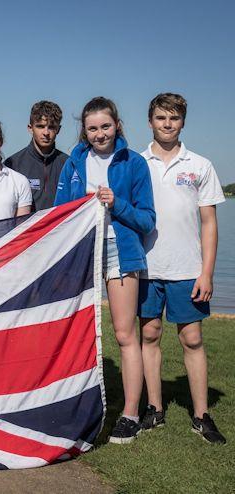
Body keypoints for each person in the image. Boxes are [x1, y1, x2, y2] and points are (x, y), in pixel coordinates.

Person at [54, 96, 155, 444]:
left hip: (120, 252)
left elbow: (147, 219)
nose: (100, 134)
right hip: (82, 251)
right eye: (93, 128)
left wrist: (117, 203)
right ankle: (71, 403)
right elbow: (60, 211)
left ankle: (129, 414)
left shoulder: (135, 163)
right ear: (84, 130)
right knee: (72, 328)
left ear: (117, 125)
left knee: (126, 334)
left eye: (106, 126)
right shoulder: (74, 163)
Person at [138, 93, 227, 444]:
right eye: (161, 117)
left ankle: (202, 415)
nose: (167, 124)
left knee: (192, 338)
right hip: (145, 267)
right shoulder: (136, 162)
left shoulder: (201, 165)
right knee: (149, 335)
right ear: (150, 121)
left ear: (183, 122)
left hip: (188, 268)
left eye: (174, 118)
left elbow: (209, 224)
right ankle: (155, 409)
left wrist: (207, 272)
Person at [4, 100, 69, 210]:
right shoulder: (13, 164)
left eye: (51, 127)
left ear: (58, 129)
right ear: (30, 128)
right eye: (40, 126)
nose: (46, 133)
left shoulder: (68, 164)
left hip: (62, 227)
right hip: (27, 227)